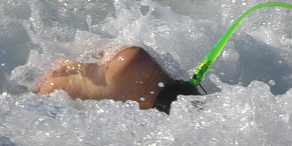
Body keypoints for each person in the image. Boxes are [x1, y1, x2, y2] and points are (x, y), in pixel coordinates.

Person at [33, 44, 201, 113]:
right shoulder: (131, 62)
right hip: (52, 91)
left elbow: (87, 49)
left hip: (49, 84)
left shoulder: (134, 60)